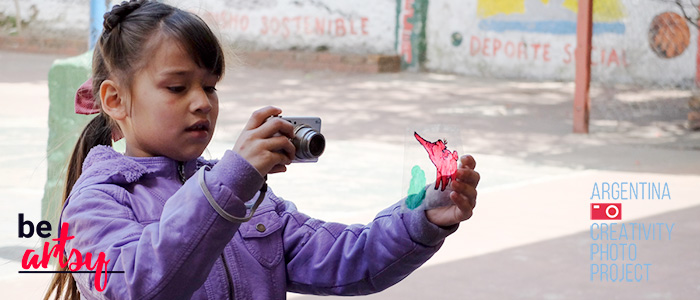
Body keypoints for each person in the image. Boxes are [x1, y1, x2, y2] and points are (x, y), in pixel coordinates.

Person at [45, 1, 480, 299]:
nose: (201, 102)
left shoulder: (246, 196)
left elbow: (349, 261)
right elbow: (141, 285)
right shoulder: (96, 202)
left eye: (210, 87)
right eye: (177, 87)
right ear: (115, 100)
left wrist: (423, 219)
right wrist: (229, 183)